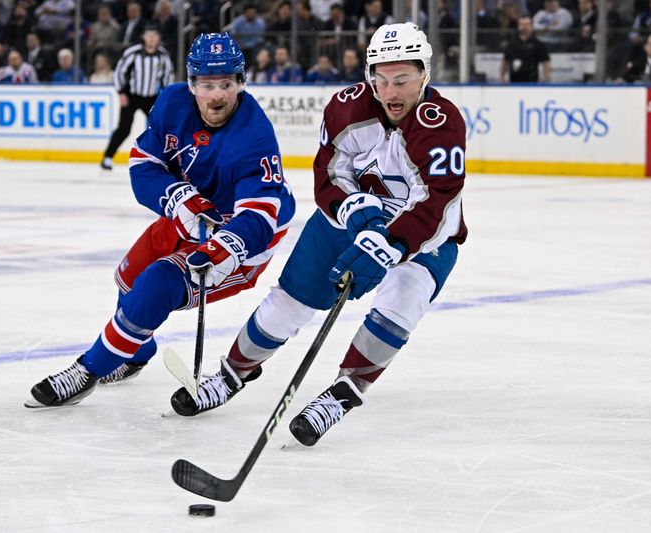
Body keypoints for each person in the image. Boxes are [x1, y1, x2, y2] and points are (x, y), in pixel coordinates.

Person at [167, 22, 467, 447]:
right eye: (380, 79)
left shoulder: (442, 124)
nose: (391, 92)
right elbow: (329, 173)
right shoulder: (347, 108)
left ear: (425, 75)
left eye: (402, 79)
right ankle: (232, 375)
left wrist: (391, 242)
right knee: (287, 301)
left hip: (425, 237)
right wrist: (353, 207)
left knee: (403, 301)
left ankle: (343, 394)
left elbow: (438, 200)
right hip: (346, 224)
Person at [25, 33, 295, 408]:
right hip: (187, 217)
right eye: (206, 84)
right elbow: (144, 165)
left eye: (225, 84)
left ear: (240, 84)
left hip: (240, 238)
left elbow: (261, 216)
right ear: (191, 84)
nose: (216, 95)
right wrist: (179, 198)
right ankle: (134, 354)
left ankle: (89, 370)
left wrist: (224, 248)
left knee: (156, 284)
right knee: (128, 279)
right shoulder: (171, 102)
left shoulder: (254, 135)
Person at [101, 27, 174, 170]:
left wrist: (165, 99)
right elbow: (119, 72)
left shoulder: (163, 56)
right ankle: (107, 157)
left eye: (155, 35)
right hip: (132, 96)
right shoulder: (133, 53)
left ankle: (165, 160)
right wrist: (121, 92)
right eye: (149, 35)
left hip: (152, 98)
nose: (152, 38)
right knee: (124, 128)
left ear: (158, 38)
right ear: (144, 37)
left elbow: (168, 78)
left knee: (160, 128)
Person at [500, 16, 551, 82]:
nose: (524, 27)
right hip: (514, 84)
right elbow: (505, 62)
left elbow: (546, 63)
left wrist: (545, 78)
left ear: (532, 27)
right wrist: (502, 77)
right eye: (521, 24)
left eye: (527, 24)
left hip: (532, 83)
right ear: (518, 26)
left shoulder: (539, 45)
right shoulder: (511, 44)